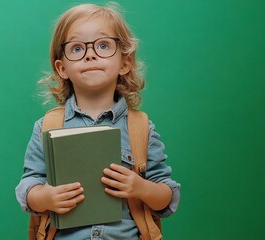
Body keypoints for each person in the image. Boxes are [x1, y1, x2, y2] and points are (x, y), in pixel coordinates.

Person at [15, 3, 181, 239]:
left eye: (103, 45)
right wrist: (44, 197)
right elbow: (28, 185)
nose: (90, 54)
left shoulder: (141, 128)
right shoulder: (47, 127)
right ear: (62, 68)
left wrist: (141, 187)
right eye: (76, 48)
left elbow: (167, 195)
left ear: (125, 63)